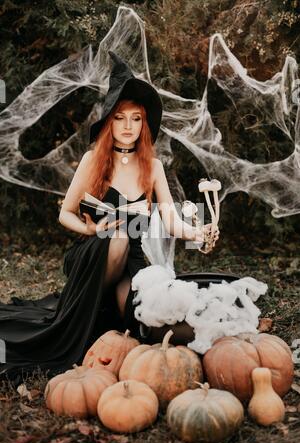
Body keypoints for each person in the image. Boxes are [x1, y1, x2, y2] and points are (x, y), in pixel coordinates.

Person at [0, 51, 217, 383]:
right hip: (92, 256)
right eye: (120, 117)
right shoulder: (92, 160)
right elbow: (66, 215)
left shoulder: (154, 167)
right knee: (115, 237)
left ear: (144, 124)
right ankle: (82, 314)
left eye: (136, 118)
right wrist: (90, 230)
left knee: (149, 319)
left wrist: (199, 233)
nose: (128, 126)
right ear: (109, 122)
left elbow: (172, 221)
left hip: (131, 264)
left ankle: (106, 316)